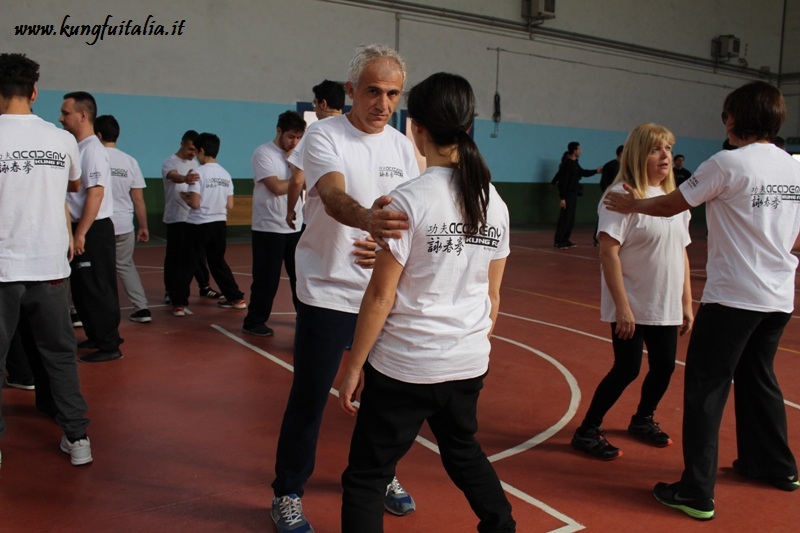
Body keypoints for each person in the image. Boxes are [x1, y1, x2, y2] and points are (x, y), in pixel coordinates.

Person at [604, 81, 800, 520]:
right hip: (778, 297)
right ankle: (775, 466)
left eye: (727, 115)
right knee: (759, 377)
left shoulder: (727, 163)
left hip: (735, 298)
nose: (725, 122)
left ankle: (696, 491)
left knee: (707, 388)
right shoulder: (793, 168)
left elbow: (673, 204)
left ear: (736, 119)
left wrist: (631, 204)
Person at [338, 72, 516, 533]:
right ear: (468, 126)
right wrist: (469, 345)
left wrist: (355, 365)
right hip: (467, 363)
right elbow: (492, 295)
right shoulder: (494, 201)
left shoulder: (408, 200)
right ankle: (502, 526)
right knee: (464, 452)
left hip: (406, 365)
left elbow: (381, 296)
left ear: (414, 126)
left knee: (367, 476)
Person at [270, 44, 420, 533]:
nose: (383, 103)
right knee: (311, 395)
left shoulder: (402, 147)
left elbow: (413, 216)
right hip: (328, 289)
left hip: (381, 293)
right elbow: (333, 197)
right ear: (352, 90)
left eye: (393, 93)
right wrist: (370, 222)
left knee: (385, 396)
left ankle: (381, 475)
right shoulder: (323, 136)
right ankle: (288, 493)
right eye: (373, 91)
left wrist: (389, 247)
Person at [571, 124, 693, 460]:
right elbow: (607, 252)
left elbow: (681, 251)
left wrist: (687, 301)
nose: (665, 155)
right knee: (627, 369)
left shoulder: (674, 200)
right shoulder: (621, 196)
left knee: (665, 366)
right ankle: (587, 430)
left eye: (668, 148)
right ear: (640, 154)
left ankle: (642, 419)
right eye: (656, 149)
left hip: (664, 301)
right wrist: (623, 308)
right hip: (633, 299)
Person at [0, 53, 93, 465]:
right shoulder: (62, 140)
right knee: (59, 355)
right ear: (35, 92)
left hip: (2, 267)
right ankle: (78, 439)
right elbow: (73, 184)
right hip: (50, 269)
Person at [60, 91, 123, 363]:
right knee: (84, 288)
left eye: (66, 113)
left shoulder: (93, 150)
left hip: (93, 228)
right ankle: (98, 335)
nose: (61, 118)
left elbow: (95, 194)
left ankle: (109, 345)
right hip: (83, 227)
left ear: (83, 115)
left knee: (97, 287)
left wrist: (80, 233)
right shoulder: (81, 148)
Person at [242, 111, 306, 337]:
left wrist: (294, 167)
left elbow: (306, 185)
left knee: (301, 277)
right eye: (291, 137)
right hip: (268, 227)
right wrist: (296, 177)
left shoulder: (298, 155)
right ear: (279, 131)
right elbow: (276, 187)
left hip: (296, 226)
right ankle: (254, 321)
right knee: (266, 279)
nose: (295, 142)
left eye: (299, 137)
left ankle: (305, 318)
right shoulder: (263, 153)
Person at [172, 133, 245, 315]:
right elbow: (230, 204)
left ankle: (179, 304)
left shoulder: (198, 173)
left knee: (187, 262)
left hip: (198, 224)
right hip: (219, 224)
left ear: (201, 150)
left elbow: (195, 203)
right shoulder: (225, 174)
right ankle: (236, 297)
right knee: (218, 262)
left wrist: (185, 197)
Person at [94, 115, 152, 324]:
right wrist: (143, 226)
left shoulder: (93, 157)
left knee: (90, 268)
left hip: (98, 223)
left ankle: (78, 311)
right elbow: (139, 200)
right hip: (125, 224)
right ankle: (142, 308)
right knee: (126, 266)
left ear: (97, 134)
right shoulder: (130, 161)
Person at [161, 130, 222, 306]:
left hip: (194, 217)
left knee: (198, 254)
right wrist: (185, 179)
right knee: (174, 256)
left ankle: (204, 286)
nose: (192, 153)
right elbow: (174, 176)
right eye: (189, 148)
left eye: (195, 150)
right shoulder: (169, 162)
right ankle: (170, 290)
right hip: (176, 217)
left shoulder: (196, 163)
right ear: (182, 143)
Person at [286, 79, 346, 230]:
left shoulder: (318, 129)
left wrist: (290, 210)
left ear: (323, 104)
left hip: (320, 219)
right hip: (348, 218)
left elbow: (299, 180)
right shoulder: (353, 131)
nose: (315, 109)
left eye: (315, 104)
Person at [553, 141, 601, 249]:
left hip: (573, 194)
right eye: (579, 149)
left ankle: (565, 239)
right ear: (574, 150)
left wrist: (596, 171)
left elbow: (583, 172)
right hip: (567, 194)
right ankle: (559, 241)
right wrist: (562, 197)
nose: (580, 151)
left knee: (570, 218)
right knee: (565, 218)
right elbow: (563, 181)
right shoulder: (567, 164)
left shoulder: (575, 163)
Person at [593, 145, 623, 246]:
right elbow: (604, 182)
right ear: (621, 153)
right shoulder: (610, 165)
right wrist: (607, 193)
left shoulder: (627, 167)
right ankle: (598, 238)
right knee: (605, 216)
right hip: (610, 195)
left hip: (622, 196)